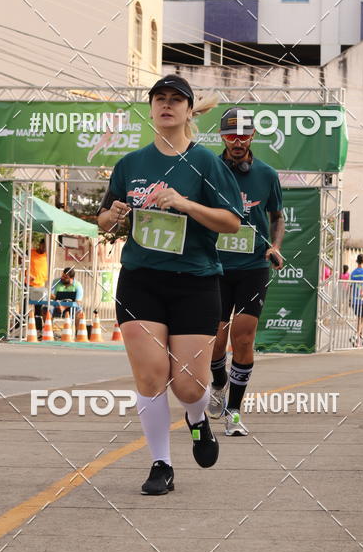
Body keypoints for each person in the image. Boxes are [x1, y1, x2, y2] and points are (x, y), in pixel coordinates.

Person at [97, 74, 243, 496]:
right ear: (152, 108)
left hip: (195, 282)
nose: (166, 105)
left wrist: (184, 204)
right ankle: (161, 463)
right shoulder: (131, 164)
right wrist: (115, 216)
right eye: (159, 98)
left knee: (188, 385)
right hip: (141, 279)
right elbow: (103, 220)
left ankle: (198, 420)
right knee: (151, 377)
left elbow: (232, 222)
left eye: (175, 100)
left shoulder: (207, 163)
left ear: (187, 110)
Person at [207, 108, 284, 436]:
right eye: (230, 135)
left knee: (244, 336)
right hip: (214, 264)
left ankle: (235, 412)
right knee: (214, 337)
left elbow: (277, 216)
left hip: (253, 265)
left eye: (243, 135)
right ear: (222, 138)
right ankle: (218, 380)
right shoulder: (207, 169)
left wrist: (275, 246)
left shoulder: (266, 173)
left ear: (253, 136)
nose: (237, 142)